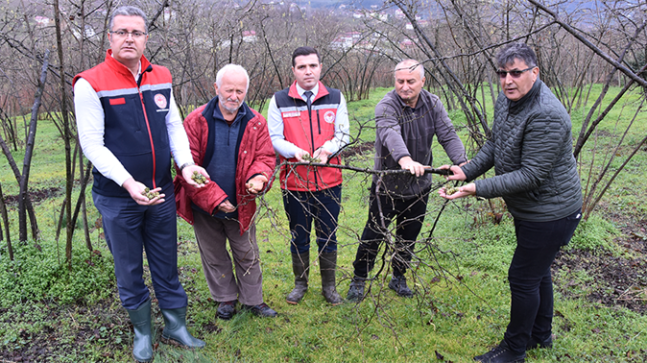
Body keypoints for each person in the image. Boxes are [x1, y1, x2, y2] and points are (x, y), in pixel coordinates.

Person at [73, 6, 206, 362]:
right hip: (119, 198)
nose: (129, 38)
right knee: (129, 269)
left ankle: (175, 325)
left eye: (136, 32)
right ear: (110, 37)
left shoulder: (161, 75)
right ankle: (143, 332)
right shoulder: (91, 82)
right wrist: (129, 183)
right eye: (121, 32)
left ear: (146, 38)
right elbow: (92, 144)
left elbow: (173, 126)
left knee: (167, 263)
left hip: (160, 192)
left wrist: (187, 164)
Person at [438, 43, 582, 363]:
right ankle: (540, 336)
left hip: (551, 212)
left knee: (523, 277)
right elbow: (495, 143)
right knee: (538, 273)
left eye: (516, 73)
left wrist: (478, 188)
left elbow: (531, 175)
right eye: (502, 73)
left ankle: (514, 349)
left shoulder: (547, 113)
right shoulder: (508, 101)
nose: (507, 80)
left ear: (534, 72)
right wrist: (467, 170)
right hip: (532, 208)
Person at [347, 59, 467, 302]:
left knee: (408, 235)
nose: (404, 86)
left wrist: (463, 163)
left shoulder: (433, 104)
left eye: (410, 81)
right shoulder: (385, 105)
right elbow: (390, 133)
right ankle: (359, 278)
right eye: (400, 81)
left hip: (419, 187)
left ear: (423, 81)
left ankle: (398, 276)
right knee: (374, 233)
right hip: (387, 186)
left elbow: (448, 134)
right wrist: (405, 160)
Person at [174, 64, 278, 320]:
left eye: (240, 91)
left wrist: (259, 176)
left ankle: (253, 301)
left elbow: (265, 157)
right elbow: (186, 166)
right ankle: (225, 299)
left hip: (241, 204)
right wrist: (215, 198)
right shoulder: (195, 121)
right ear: (216, 88)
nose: (234, 96)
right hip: (204, 204)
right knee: (214, 254)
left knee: (247, 253)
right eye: (229, 90)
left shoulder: (256, 122)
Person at [267, 46, 350, 306]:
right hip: (295, 182)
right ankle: (300, 284)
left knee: (328, 235)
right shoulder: (279, 100)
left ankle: (329, 287)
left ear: (320, 67)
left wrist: (327, 150)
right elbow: (274, 138)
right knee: (299, 235)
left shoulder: (335, 97)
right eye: (302, 67)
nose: (308, 71)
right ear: (293, 70)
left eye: (312, 65)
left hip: (329, 181)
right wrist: (296, 152)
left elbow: (343, 134)